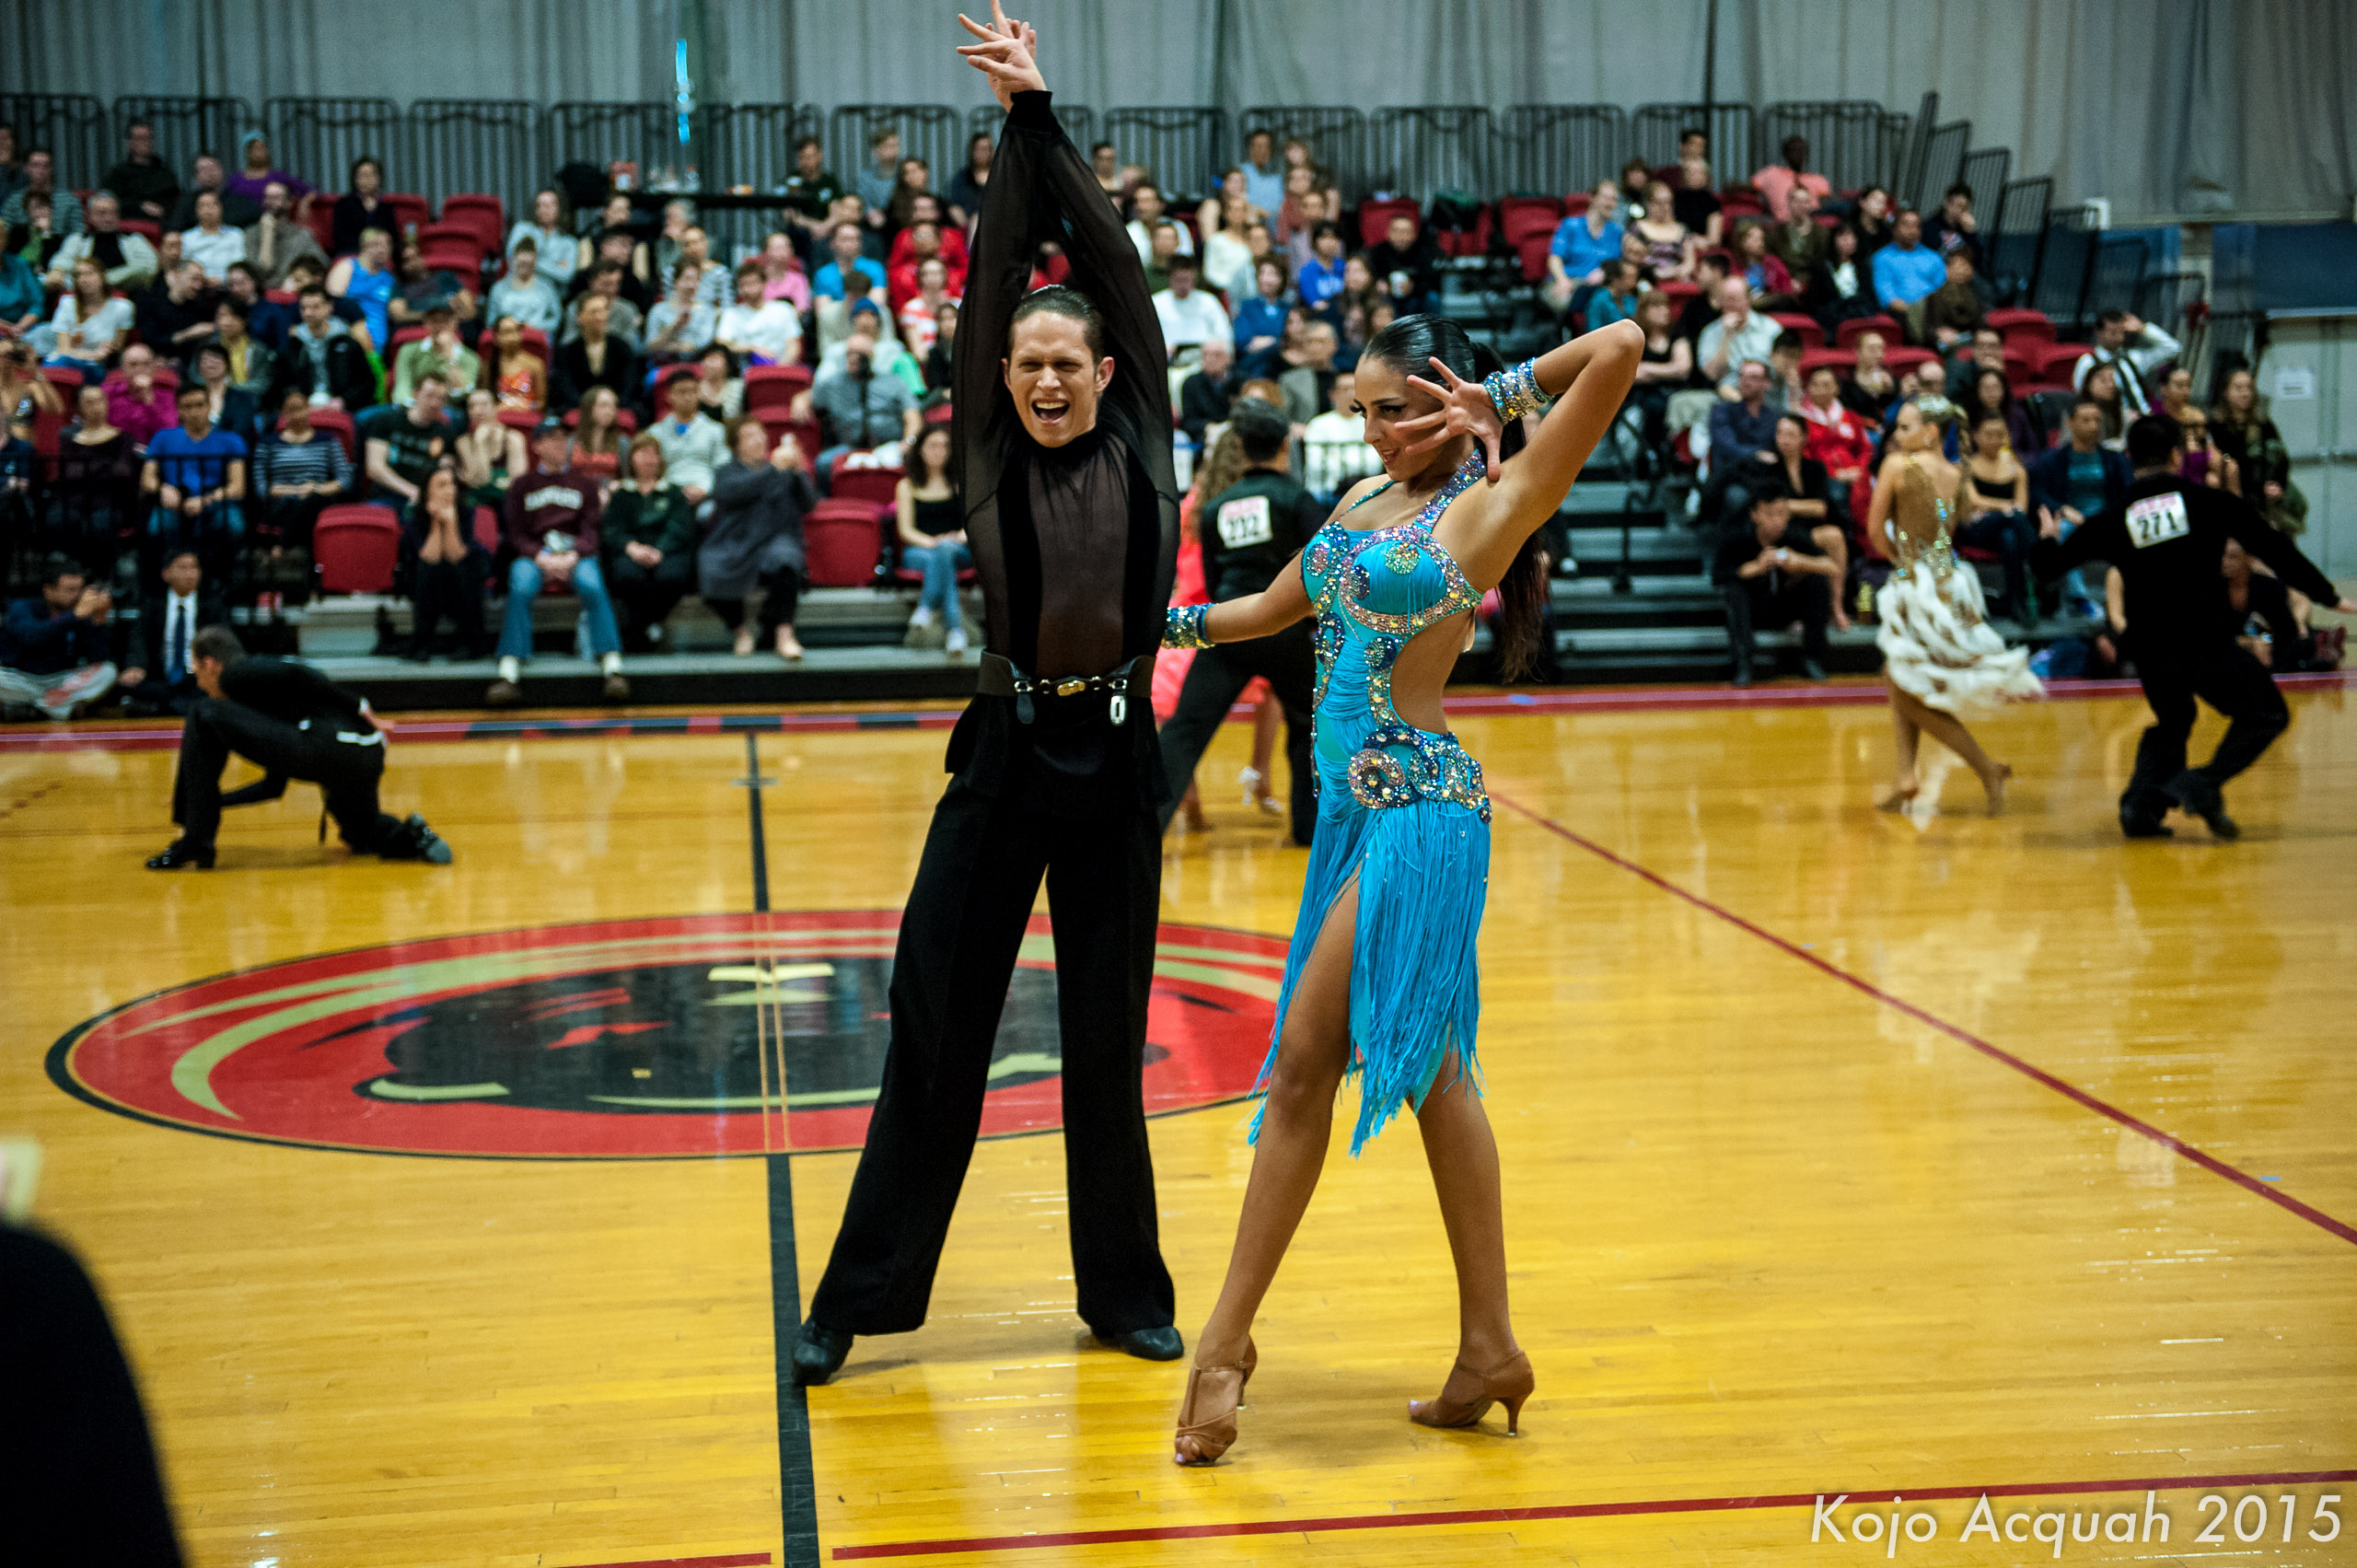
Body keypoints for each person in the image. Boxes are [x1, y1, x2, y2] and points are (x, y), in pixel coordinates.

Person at [792, 8, 1199, 1388]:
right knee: (937, 1027)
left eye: (1066, 363)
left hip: (1118, 762)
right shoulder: (985, 447)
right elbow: (991, 284)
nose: (1044, 378)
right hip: (1006, 756)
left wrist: (1044, 115)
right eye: (1025, 364)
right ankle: (856, 1298)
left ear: (1107, 374)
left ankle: (1124, 1291)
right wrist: (1014, 134)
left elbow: (1114, 266)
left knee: (1105, 1036)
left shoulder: (1142, 437)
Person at [1160, 294, 1641, 1458]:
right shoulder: (1356, 502)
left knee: (1299, 1069)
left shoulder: (1497, 500)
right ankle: (1490, 1345)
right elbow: (1269, 608)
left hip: (1420, 818)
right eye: (1365, 411)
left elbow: (1621, 346)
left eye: (1398, 410)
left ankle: (1223, 1343)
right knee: (1437, 1077)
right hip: (1347, 825)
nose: (1378, 432)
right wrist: (1154, 627)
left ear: (1444, 397)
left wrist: (1500, 401)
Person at [2037, 413, 2355, 838]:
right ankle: (2202, 783)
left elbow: (2048, 569)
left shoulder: (2114, 518)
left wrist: (2047, 536)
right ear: (2176, 455)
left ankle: (2140, 806)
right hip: (2203, 638)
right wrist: (2327, 595)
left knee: (2174, 718)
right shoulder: (2209, 502)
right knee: (2267, 713)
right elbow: (2272, 545)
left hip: (2149, 645)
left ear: (2129, 457)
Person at [1150, 397, 1320, 845]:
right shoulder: (1297, 500)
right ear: (1284, 446)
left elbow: (1211, 580)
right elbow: (1321, 570)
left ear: (1242, 448)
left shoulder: (1216, 507)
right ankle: (1308, 828)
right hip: (1286, 634)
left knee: (1185, 730)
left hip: (1230, 630)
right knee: (1308, 726)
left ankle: (1143, 830)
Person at [145, 625, 450, 870]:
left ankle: (195, 842)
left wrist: (359, 705)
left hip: (330, 743)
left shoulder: (237, 673)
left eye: (197, 673)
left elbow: (299, 672)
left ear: (210, 664)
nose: (200, 684)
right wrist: (208, 800)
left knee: (202, 712)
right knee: (360, 832)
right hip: (360, 754)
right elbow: (272, 787)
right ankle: (413, 835)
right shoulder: (272, 701)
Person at [1866, 396, 2042, 812]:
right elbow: (1954, 525)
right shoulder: (1957, 472)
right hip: (1951, 581)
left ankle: (1984, 768)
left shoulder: (1896, 465)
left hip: (1915, 581)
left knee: (1903, 683)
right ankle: (1906, 776)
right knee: (1902, 676)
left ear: (1930, 432)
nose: (1896, 435)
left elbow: (1874, 530)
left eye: (1905, 427)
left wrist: (1901, 560)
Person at [485, 417, 626, 704]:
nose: (561, 444)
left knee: (593, 584)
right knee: (520, 585)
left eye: (564, 438)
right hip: (535, 556)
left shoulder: (584, 484)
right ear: (537, 445)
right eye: (553, 438)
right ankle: (508, 671)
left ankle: (613, 667)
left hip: (576, 555)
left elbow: (592, 529)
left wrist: (574, 554)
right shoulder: (522, 486)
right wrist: (540, 556)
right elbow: (515, 533)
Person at [702, 418, 813, 659]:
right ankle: (741, 631)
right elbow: (735, 492)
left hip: (776, 538)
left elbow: (809, 503)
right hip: (737, 539)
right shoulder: (726, 473)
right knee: (709, 565)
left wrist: (798, 471)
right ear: (736, 445)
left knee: (786, 557)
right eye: (750, 435)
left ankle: (784, 634)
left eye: (761, 434)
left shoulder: (783, 470)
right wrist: (774, 469)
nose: (760, 439)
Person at [1714, 482, 1839, 687]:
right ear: (1754, 514)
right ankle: (1743, 664)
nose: (1776, 521)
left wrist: (1800, 562)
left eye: (1781, 513)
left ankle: (1812, 659)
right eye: (1769, 514)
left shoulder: (1794, 535)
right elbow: (1718, 576)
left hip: (1785, 609)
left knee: (1817, 581)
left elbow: (1832, 567)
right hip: (1751, 611)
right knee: (1734, 590)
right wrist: (1755, 567)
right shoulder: (1737, 537)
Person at [599, 434, 696, 652]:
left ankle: (644, 628)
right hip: (631, 551)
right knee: (626, 575)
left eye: (654, 455)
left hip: (667, 551)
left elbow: (680, 527)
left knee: (671, 576)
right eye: (643, 454)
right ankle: (646, 629)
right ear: (632, 458)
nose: (649, 460)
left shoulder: (673, 492)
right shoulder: (622, 494)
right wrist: (632, 547)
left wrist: (660, 550)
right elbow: (612, 529)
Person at [144, 381, 248, 574]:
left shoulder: (231, 440)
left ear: (209, 406)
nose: (194, 412)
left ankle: (218, 577)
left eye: (200, 405)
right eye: (187, 406)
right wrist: (163, 489)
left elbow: (237, 487)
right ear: (179, 409)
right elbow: (147, 480)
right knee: (157, 527)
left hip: (216, 501)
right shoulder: (162, 438)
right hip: (175, 500)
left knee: (232, 525)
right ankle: (170, 578)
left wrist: (206, 500)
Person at [0, 555, 118, 719]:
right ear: (48, 590)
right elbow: (33, 637)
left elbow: (97, 659)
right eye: (70, 590)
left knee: (108, 671)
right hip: (22, 678)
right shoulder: (22, 607)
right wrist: (74, 616)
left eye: (80, 589)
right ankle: (56, 707)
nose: (77, 595)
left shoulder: (81, 612)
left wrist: (99, 620)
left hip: (63, 682)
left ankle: (36, 707)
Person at [117, 546, 226, 714]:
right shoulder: (153, 605)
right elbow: (139, 638)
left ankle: (169, 706)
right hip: (160, 678)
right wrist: (135, 666)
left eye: (194, 567)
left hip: (196, 680)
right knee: (137, 689)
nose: (190, 574)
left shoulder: (212, 606)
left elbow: (221, 641)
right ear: (166, 574)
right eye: (182, 567)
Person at [1957, 411, 2038, 625]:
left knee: (2009, 538)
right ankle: (2038, 559)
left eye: (2000, 435)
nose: (1995, 440)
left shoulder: (2015, 467)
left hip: (2006, 529)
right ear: (1976, 436)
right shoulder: (1966, 465)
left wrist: (2000, 509)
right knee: (2010, 521)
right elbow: (1973, 500)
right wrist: (2004, 507)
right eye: (1989, 435)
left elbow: (2021, 507)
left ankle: (2016, 603)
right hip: (1976, 528)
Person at [894, 424, 970, 655]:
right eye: (933, 446)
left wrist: (957, 537)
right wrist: (933, 543)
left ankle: (925, 607)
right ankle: (955, 631)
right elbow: (906, 530)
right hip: (920, 549)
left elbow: (972, 524)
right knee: (941, 561)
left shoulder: (961, 482)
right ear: (920, 450)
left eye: (945, 446)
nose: (940, 451)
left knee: (944, 554)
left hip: (956, 548)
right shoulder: (906, 486)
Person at [401, 462, 487, 662]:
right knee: (426, 569)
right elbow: (429, 557)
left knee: (461, 569)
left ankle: (468, 643)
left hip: (461, 583)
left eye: (452, 484)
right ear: (427, 491)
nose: (450, 490)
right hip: (423, 584)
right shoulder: (415, 514)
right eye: (441, 485)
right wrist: (436, 522)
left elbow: (456, 555)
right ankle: (422, 644)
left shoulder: (467, 512)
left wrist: (450, 521)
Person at [252, 389, 351, 562]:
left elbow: (345, 479)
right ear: (283, 413)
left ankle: (281, 545)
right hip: (280, 503)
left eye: (302, 408)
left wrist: (316, 487)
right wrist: (295, 490)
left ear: (309, 409)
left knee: (312, 503)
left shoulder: (328, 440)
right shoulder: (267, 443)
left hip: (316, 499)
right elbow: (261, 486)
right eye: (292, 410)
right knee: (297, 506)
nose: (298, 415)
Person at [50, 382, 139, 573]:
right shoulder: (68, 437)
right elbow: (70, 472)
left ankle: (102, 575)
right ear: (79, 408)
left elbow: (122, 471)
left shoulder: (123, 438)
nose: (96, 407)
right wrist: (104, 466)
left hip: (108, 501)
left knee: (99, 526)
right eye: (89, 402)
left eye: (100, 401)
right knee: (60, 519)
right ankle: (73, 574)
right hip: (74, 500)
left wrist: (88, 467)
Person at [2211, 367, 2304, 535]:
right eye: (2238, 388)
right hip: (2231, 497)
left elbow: (2280, 458)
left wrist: (2274, 482)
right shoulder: (2216, 427)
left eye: (2248, 388)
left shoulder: (2263, 425)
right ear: (2225, 393)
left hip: (2263, 498)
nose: (2245, 393)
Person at [362, 372, 455, 509]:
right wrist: (413, 492)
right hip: (386, 498)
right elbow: (375, 468)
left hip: (425, 504)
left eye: (441, 398)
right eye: (430, 396)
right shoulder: (386, 420)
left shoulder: (445, 433)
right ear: (415, 393)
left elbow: (445, 473)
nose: (435, 403)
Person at [2071, 309, 2181, 416]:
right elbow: (2082, 395)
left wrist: (2143, 329)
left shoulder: (2132, 358)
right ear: (2099, 332)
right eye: (2113, 333)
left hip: (2143, 416)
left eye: (2122, 332)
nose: (2119, 338)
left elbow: (2173, 349)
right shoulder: (2089, 361)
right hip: (2112, 418)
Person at [45, 192, 159, 294]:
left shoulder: (133, 239)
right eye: (102, 213)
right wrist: (57, 271)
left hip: (128, 292)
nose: (108, 219)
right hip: (86, 296)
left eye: (113, 213)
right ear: (90, 216)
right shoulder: (79, 239)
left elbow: (150, 266)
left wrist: (103, 280)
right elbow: (63, 260)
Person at [40, 256, 134, 377]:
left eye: (89, 274)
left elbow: (115, 349)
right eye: (78, 275)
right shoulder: (67, 303)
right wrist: (92, 354)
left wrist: (99, 353)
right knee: (57, 364)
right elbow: (64, 350)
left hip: (99, 365)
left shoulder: (123, 307)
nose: (83, 279)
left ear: (102, 275)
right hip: (67, 360)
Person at [284, 285, 375, 410]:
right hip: (304, 407)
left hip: (342, 407)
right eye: (304, 308)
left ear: (329, 307)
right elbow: (284, 381)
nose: (308, 313)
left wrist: (344, 401)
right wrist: (297, 399)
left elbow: (366, 383)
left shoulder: (346, 341)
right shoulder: (295, 343)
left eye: (315, 307)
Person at [1544, 180, 1623, 315]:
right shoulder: (1570, 225)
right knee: (1561, 301)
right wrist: (1562, 280)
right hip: (1569, 281)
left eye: (1614, 199)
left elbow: (1617, 262)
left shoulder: (1616, 231)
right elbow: (1555, 258)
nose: (1610, 203)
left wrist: (1604, 272)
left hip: (1598, 286)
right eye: (1606, 197)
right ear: (1592, 197)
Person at [553, 294, 641, 414]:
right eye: (593, 312)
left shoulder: (622, 348)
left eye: (603, 311)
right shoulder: (567, 351)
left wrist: (611, 406)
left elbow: (629, 384)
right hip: (578, 408)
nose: (599, 317)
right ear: (580, 317)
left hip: (617, 407)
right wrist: (587, 409)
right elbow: (566, 386)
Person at [649, 371, 726, 505]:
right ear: (668, 395)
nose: (688, 397)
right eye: (682, 392)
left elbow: (723, 467)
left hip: (706, 495)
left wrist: (705, 490)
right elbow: (651, 472)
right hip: (667, 495)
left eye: (693, 391)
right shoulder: (655, 433)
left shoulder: (716, 430)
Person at [716, 262, 801, 366]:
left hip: (781, 366)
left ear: (764, 283)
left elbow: (793, 345)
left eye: (752, 283)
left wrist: (781, 367)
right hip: (746, 368)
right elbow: (722, 344)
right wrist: (752, 348)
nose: (747, 289)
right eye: (743, 285)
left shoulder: (783, 309)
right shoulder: (731, 314)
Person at [328, 228, 397, 353]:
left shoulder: (390, 279)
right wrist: (358, 325)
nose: (382, 249)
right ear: (364, 247)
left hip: (378, 342)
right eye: (376, 244)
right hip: (347, 335)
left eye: (387, 244)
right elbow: (333, 303)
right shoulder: (347, 267)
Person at [1363, 210, 1441, 313]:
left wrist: (1413, 287)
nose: (1401, 236)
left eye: (1406, 232)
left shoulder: (1423, 252)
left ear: (1414, 234)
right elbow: (1370, 274)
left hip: (1415, 298)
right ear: (1388, 233)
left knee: (1432, 298)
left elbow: (1431, 280)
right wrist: (1381, 284)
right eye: (1397, 231)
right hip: (1388, 298)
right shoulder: (1377, 252)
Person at [104, 120, 180, 224]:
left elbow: (176, 201)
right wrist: (140, 206)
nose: (146, 142)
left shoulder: (165, 172)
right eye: (140, 138)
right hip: (129, 224)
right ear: (130, 143)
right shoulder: (118, 173)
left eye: (149, 138)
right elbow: (110, 201)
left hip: (162, 223)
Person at [0, 147, 81, 238]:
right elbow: (3, 234)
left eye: (46, 166)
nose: (40, 170)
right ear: (26, 168)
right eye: (35, 165)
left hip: (62, 245)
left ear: (52, 169)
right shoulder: (13, 201)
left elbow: (78, 234)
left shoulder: (69, 200)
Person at [507, 190, 577, 294]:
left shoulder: (569, 243)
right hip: (517, 290)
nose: (542, 210)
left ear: (560, 209)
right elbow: (513, 261)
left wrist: (531, 261)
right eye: (539, 205)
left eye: (547, 206)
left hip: (550, 295)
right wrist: (554, 265)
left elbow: (566, 275)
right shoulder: (522, 229)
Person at [486, 239, 561, 336]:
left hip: (536, 335)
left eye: (529, 264)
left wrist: (535, 326)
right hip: (507, 335)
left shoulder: (547, 288)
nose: (525, 268)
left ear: (535, 262)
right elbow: (491, 322)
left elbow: (556, 320)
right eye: (521, 264)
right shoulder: (499, 288)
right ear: (513, 260)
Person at [165, 153, 256, 232]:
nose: (209, 173)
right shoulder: (187, 202)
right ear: (197, 176)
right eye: (204, 169)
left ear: (221, 170)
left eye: (213, 168)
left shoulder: (239, 200)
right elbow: (175, 228)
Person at [328, 157, 397, 259]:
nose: (366, 180)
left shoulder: (385, 207)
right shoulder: (343, 204)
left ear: (378, 178)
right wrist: (367, 248)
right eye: (362, 176)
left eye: (370, 175)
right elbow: (340, 238)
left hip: (380, 255)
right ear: (355, 179)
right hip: (351, 253)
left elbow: (393, 237)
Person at [1752, 135, 1830, 224]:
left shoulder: (1818, 180)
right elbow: (1749, 188)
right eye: (1793, 150)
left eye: (1801, 150)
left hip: (1810, 225)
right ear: (1785, 153)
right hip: (1782, 224)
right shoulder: (1771, 174)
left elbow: (1826, 206)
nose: (1798, 154)